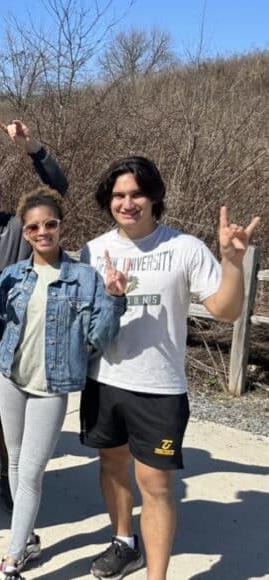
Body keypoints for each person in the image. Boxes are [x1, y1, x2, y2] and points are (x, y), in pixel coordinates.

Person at [80, 156, 260, 580]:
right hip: (103, 380)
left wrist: (232, 262)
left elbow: (226, 311)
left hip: (159, 388)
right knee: (111, 465)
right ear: (109, 202)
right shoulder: (93, 250)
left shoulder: (184, 248)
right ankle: (124, 542)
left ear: (154, 197)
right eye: (119, 195)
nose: (128, 203)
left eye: (137, 193)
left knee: (156, 486)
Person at [0, 187, 128, 580]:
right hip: (11, 378)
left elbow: (99, 338)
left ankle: (11, 557)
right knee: (17, 464)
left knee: (32, 473)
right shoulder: (12, 276)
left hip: (51, 385)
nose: (42, 232)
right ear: (25, 232)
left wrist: (114, 300)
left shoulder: (85, 278)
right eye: (34, 226)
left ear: (61, 227)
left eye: (50, 224)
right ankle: (27, 539)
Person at [0, 119, 69, 509]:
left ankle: (10, 476)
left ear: (1, 196)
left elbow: (58, 189)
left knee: (12, 418)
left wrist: (32, 146)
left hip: (17, 337)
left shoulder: (20, 225)